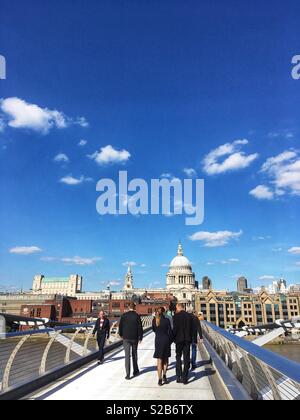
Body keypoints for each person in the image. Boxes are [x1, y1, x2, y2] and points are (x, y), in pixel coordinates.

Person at [119, 302, 143, 380]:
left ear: (128, 307)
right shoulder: (137, 316)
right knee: (134, 354)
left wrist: (121, 335)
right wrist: (140, 337)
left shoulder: (124, 315)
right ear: (135, 308)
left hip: (126, 338)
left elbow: (120, 326)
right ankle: (135, 371)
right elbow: (140, 327)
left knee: (127, 356)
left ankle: (128, 374)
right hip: (134, 338)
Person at [173, 303, 193, 385]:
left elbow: (175, 329)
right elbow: (192, 329)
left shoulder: (176, 316)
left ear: (178, 307)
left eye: (176, 308)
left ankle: (178, 376)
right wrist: (192, 339)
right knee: (186, 358)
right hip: (187, 340)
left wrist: (173, 339)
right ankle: (185, 379)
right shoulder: (189, 316)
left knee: (178, 357)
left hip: (178, 340)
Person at [152, 307, 173, 386]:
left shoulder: (154, 320)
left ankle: (159, 379)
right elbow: (170, 332)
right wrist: (170, 341)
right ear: (164, 312)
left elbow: (154, 330)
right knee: (166, 358)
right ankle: (164, 374)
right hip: (166, 340)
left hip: (158, 341)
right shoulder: (167, 320)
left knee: (159, 360)